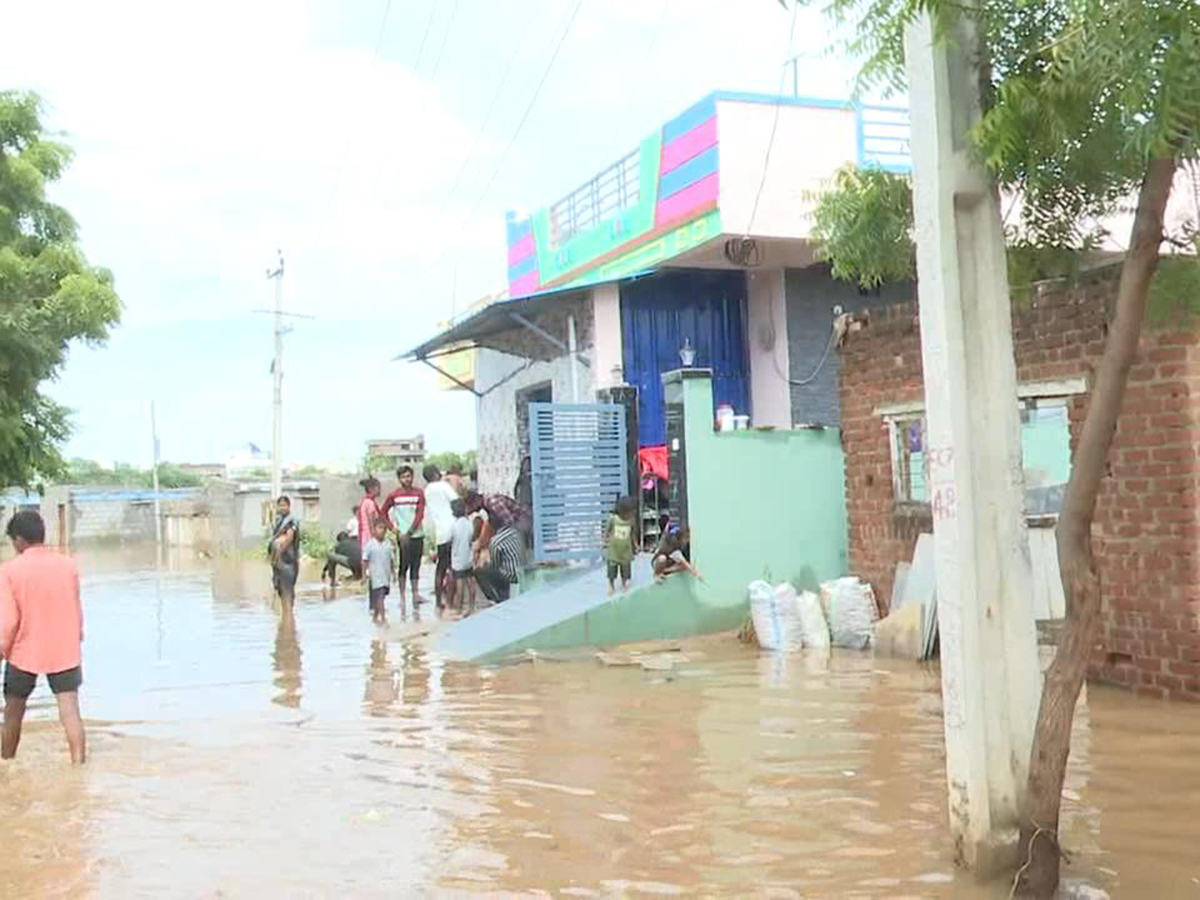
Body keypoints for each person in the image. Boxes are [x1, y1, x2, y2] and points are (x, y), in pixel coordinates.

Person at [0, 510, 86, 764]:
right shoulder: (68, 565)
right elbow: (76, 608)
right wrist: (77, 636)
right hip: (64, 649)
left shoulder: (9, 571)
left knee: (14, 710)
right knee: (70, 710)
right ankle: (78, 764)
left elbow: (8, 621)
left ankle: (6, 763)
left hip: (24, 651)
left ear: (18, 540)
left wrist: (2, 649)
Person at [380, 465, 426, 607]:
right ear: (399, 479)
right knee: (403, 566)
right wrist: (394, 530)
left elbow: (420, 514)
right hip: (402, 536)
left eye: (409, 476)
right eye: (404, 477)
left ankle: (415, 594)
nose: (407, 479)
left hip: (417, 534)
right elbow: (383, 513)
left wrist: (410, 531)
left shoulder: (419, 493)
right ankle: (402, 597)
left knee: (416, 565)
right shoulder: (394, 495)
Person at [422, 465, 458, 611]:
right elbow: (456, 501)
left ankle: (438, 602)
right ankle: (450, 602)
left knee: (441, 568)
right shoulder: (444, 486)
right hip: (452, 529)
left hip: (440, 534)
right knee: (453, 568)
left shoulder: (427, 491)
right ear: (436, 474)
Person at [475, 523, 524, 605]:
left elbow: (495, 564)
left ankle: (494, 599)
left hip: (510, 576)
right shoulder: (514, 531)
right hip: (522, 571)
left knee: (479, 571)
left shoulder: (496, 541)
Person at [269, 495, 301, 608]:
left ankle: (289, 619)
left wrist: (278, 553)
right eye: (280, 505)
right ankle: (286, 620)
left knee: (288, 590)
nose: (282, 508)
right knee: (280, 589)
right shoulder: (279, 521)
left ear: (289, 506)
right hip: (278, 561)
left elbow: (289, 538)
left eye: (284, 505)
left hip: (288, 560)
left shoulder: (292, 521)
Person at [448, 499, 476, 615]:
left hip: (457, 559)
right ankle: (471, 606)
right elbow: (472, 537)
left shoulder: (454, 525)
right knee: (470, 582)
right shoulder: (469, 523)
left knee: (460, 584)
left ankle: (459, 608)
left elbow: (450, 540)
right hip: (468, 558)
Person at [604, 496, 638, 595]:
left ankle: (624, 583)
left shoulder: (631, 521)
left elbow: (632, 533)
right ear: (622, 511)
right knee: (612, 569)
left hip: (626, 550)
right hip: (614, 550)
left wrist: (635, 544)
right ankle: (611, 585)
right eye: (629, 512)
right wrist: (604, 540)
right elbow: (607, 530)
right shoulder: (613, 519)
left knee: (626, 567)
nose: (631, 514)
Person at [363, 519, 394, 624]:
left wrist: (394, 574)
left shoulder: (388, 544)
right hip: (375, 576)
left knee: (382, 596)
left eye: (384, 529)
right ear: (374, 530)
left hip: (386, 575)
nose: (382, 531)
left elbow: (391, 560)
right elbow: (365, 560)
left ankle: (375, 616)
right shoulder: (370, 545)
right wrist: (364, 576)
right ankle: (383, 618)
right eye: (379, 528)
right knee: (380, 596)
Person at [356, 477, 384, 572]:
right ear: (372, 489)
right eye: (378, 487)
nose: (380, 490)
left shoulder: (364, 502)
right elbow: (372, 521)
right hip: (370, 536)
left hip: (364, 536)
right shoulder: (370, 503)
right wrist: (376, 536)